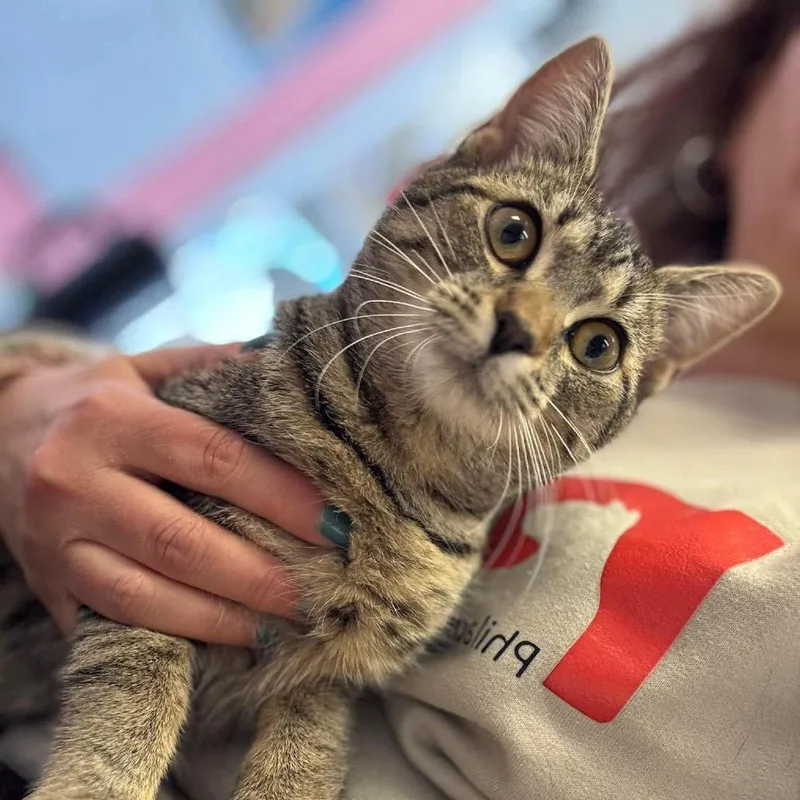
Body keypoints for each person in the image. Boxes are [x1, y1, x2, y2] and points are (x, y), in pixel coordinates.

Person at [1, 0, 799, 797]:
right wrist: (24, 384)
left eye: (596, 345)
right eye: (514, 236)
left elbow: (308, 678)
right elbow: (147, 556)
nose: (521, 324)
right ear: (754, 73)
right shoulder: (305, 371)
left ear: (650, 375)